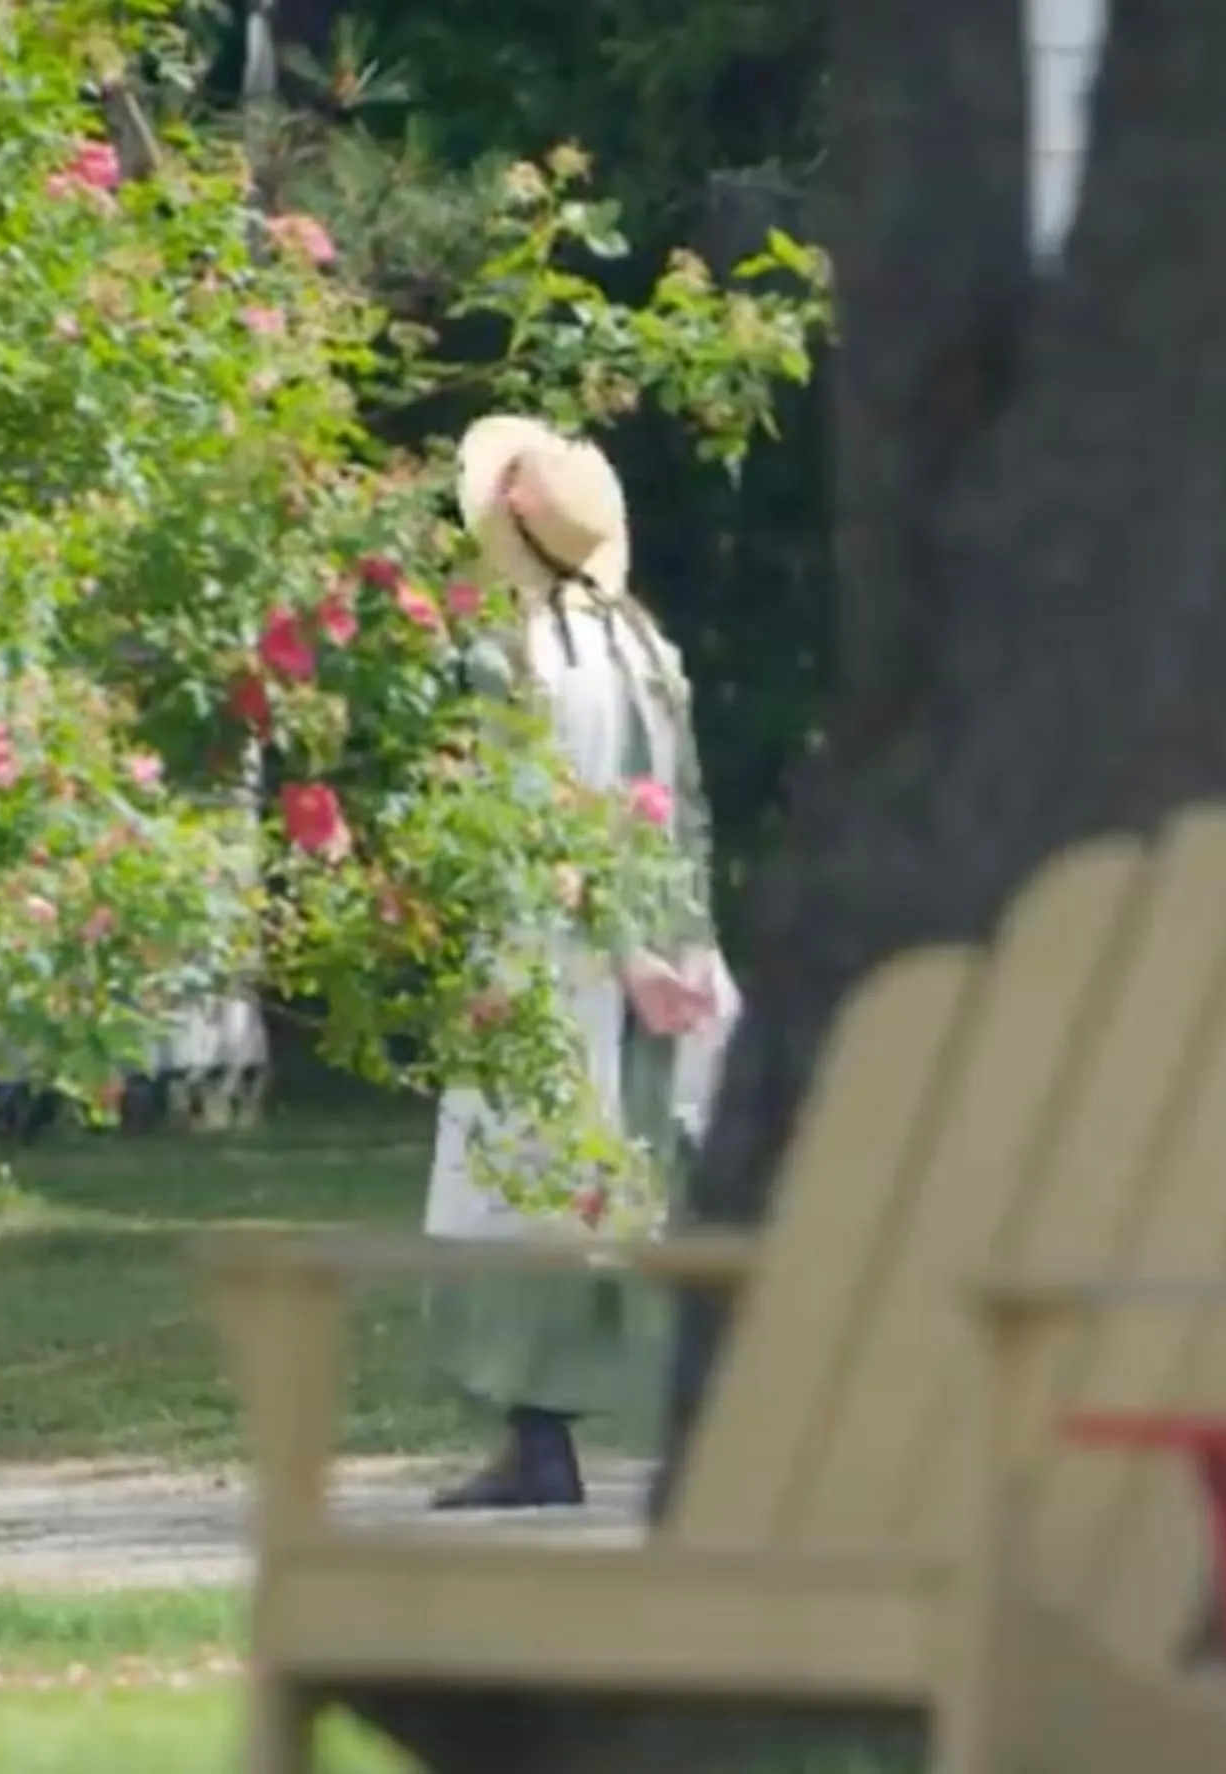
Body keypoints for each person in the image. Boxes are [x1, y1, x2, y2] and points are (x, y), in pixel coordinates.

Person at [419, 413, 741, 1511]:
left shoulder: (512, 659)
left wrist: (624, 951)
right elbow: (686, 810)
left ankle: (538, 1441)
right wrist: (682, 942)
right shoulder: (651, 652)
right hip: (656, 939)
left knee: (521, 1187)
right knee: (638, 1183)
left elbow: (523, 819)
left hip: (557, 943)